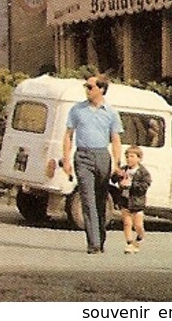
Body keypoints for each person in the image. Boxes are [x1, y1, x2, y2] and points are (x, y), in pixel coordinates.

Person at [62, 73, 124, 253]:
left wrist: (117, 163)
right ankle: (93, 243)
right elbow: (68, 135)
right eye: (86, 87)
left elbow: (115, 138)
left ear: (102, 89)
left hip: (102, 156)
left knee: (100, 200)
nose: (87, 91)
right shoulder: (77, 110)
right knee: (87, 199)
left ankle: (100, 238)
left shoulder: (111, 113)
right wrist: (66, 159)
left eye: (90, 87)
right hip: (83, 157)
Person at [116, 144, 152, 254]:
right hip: (125, 200)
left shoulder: (143, 172)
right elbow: (114, 179)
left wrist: (132, 184)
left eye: (132, 156)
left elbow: (145, 186)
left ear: (139, 158)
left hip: (137, 201)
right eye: (127, 157)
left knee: (138, 225)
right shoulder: (124, 169)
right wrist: (118, 175)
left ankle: (140, 236)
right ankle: (129, 244)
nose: (129, 159)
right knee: (127, 223)